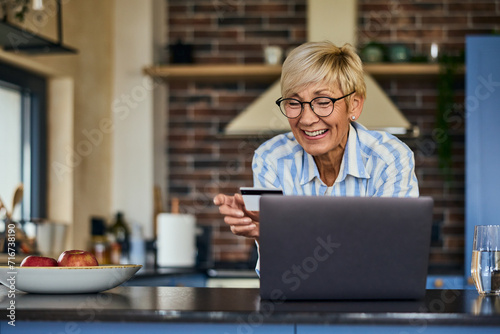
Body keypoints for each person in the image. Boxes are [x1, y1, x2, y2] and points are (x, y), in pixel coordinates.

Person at [213, 41, 419, 273]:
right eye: (293, 102)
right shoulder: (271, 159)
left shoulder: (389, 158)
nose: (307, 119)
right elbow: (279, 276)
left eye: (323, 102)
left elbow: (392, 260)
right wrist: (267, 235)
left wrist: (285, 235)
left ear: (354, 105)